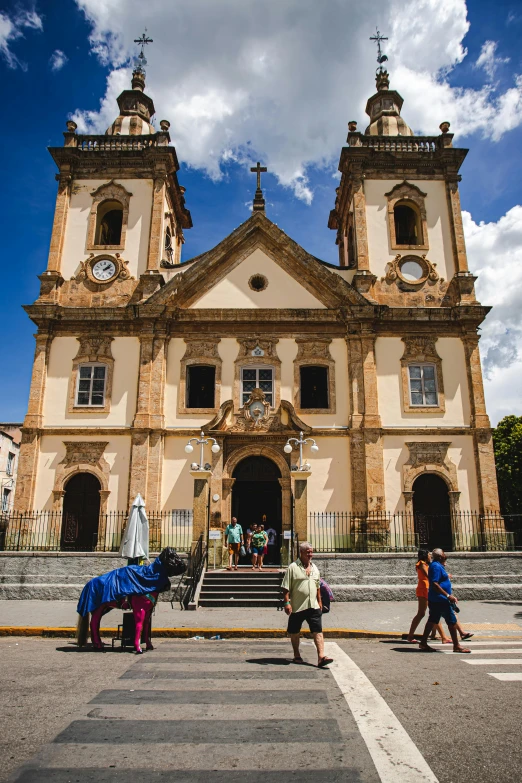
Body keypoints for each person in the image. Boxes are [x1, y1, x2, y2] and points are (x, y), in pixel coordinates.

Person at [281, 541, 333, 668]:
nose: (310, 554)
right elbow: (285, 587)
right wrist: (287, 602)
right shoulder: (293, 567)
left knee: (318, 630)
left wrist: (320, 601)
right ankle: (296, 654)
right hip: (298, 606)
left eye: (311, 552)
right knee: (294, 631)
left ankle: (321, 656)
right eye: (308, 552)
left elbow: (318, 586)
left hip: (313, 606)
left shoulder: (315, 568)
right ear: (301, 553)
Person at [418, 548, 471, 653]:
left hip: (436, 599)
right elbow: (434, 583)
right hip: (441, 599)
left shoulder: (437, 565)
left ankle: (423, 643)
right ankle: (456, 646)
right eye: (443, 554)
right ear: (440, 556)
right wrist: (448, 596)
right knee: (451, 621)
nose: (445, 555)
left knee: (432, 620)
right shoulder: (436, 566)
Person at [407, 549, 451, 644]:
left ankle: (435, 634)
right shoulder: (422, 563)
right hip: (424, 590)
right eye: (429, 554)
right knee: (423, 613)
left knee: (433, 612)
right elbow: (429, 576)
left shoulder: (427, 564)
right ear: (425, 555)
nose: (430, 556)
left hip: (427, 589)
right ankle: (411, 636)